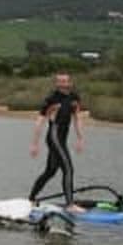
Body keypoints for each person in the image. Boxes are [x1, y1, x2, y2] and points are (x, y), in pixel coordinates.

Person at [28, 72, 85, 213]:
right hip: (54, 137)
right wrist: (34, 143)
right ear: (56, 83)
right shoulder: (51, 99)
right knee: (68, 169)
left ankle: (31, 198)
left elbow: (77, 118)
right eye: (60, 81)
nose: (62, 84)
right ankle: (70, 205)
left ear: (70, 82)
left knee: (50, 171)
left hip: (63, 138)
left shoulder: (74, 98)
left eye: (65, 81)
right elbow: (40, 121)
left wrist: (80, 138)